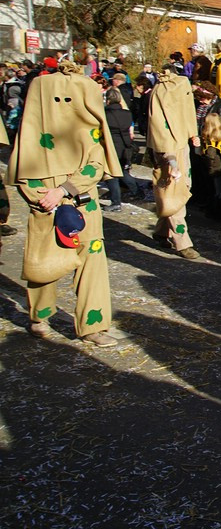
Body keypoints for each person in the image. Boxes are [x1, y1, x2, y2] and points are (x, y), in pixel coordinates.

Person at [9, 58, 123, 346]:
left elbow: (95, 165)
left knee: (92, 264)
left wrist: (64, 190)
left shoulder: (87, 131)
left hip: (84, 204)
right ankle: (40, 316)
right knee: (45, 263)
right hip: (45, 204)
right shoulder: (32, 133)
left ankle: (92, 326)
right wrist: (42, 196)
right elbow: (24, 169)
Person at [147, 64, 202, 260]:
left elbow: (186, 112)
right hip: (168, 148)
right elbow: (160, 130)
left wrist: (192, 133)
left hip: (180, 144)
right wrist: (169, 156)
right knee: (173, 192)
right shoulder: (162, 92)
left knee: (178, 189)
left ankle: (162, 231)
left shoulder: (177, 89)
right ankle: (182, 242)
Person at [103, 88, 140, 212]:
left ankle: (116, 202)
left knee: (111, 175)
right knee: (122, 172)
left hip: (111, 146)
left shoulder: (105, 115)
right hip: (124, 147)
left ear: (107, 100)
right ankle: (136, 190)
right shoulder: (127, 114)